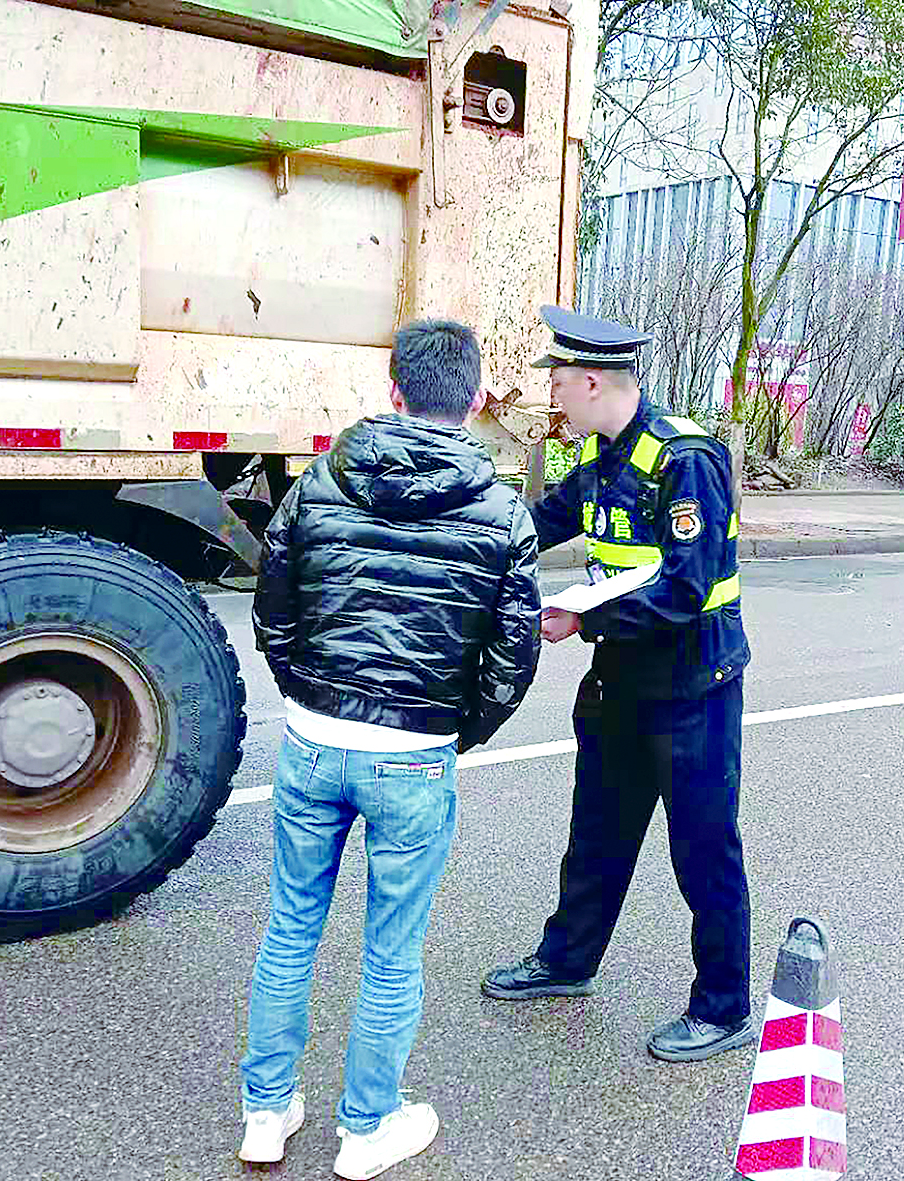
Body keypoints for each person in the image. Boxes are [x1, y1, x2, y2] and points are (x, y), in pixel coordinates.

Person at [241, 319, 541, 1178]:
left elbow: (273, 607)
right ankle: (366, 1126)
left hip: (314, 738)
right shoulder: (501, 511)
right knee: (391, 948)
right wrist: (457, 729)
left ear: (393, 390)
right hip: (413, 751)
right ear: (476, 400)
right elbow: (512, 652)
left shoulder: (319, 482)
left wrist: (306, 693)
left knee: (290, 927)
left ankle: (265, 1112)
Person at [481, 305, 754, 1063]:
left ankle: (723, 1006)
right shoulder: (602, 458)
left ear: (594, 381)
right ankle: (567, 961)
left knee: (703, 849)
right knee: (597, 834)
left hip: (693, 686)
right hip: (622, 683)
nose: (553, 396)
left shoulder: (684, 460)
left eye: (559, 382)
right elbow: (537, 522)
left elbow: (686, 589)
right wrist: (464, 540)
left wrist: (582, 619)